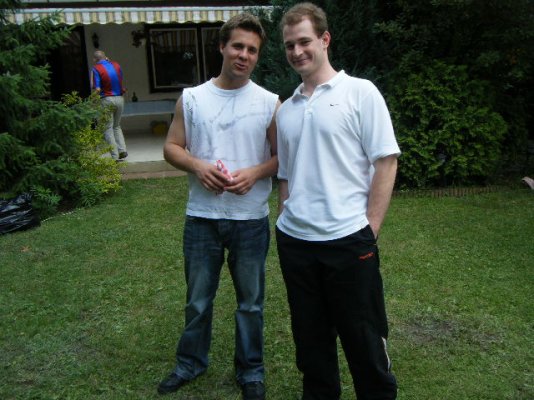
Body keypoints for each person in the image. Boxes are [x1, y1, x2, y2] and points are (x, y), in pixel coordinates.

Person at [275, 3, 400, 400]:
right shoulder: (287, 110)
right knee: (310, 345)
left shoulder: (360, 92)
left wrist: (369, 229)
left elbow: (386, 162)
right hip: (296, 243)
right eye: (290, 45)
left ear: (325, 39)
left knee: (365, 340)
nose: (297, 51)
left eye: (304, 41)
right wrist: (284, 218)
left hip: (349, 241)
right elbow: (286, 175)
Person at [157, 13, 279, 400]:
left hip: (250, 220)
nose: (244, 55)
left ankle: (251, 371)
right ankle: (190, 363)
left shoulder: (269, 102)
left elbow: (282, 157)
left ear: (257, 56)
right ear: (222, 46)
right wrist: (197, 165)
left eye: (252, 50)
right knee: (197, 300)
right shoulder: (193, 98)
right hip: (202, 218)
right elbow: (171, 147)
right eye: (238, 46)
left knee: (251, 303)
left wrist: (255, 172)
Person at [91, 50, 128, 161]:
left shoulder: (96, 68)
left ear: (95, 59)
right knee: (116, 126)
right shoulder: (116, 65)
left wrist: (91, 100)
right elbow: (119, 79)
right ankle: (122, 150)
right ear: (106, 57)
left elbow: (97, 88)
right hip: (120, 98)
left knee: (108, 128)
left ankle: (115, 156)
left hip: (107, 99)